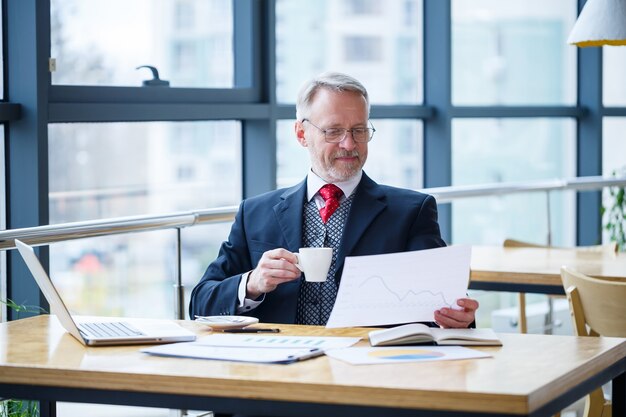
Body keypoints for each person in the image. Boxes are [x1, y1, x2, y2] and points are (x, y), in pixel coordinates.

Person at [189, 71, 478, 328]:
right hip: (279, 369)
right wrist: (252, 283)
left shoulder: (412, 212)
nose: (349, 144)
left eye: (359, 130)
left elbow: (440, 302)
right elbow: (200, 303)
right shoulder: (255, 213)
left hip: (371, 369)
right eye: (333, 131)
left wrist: (457, 318)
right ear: (302, 134)